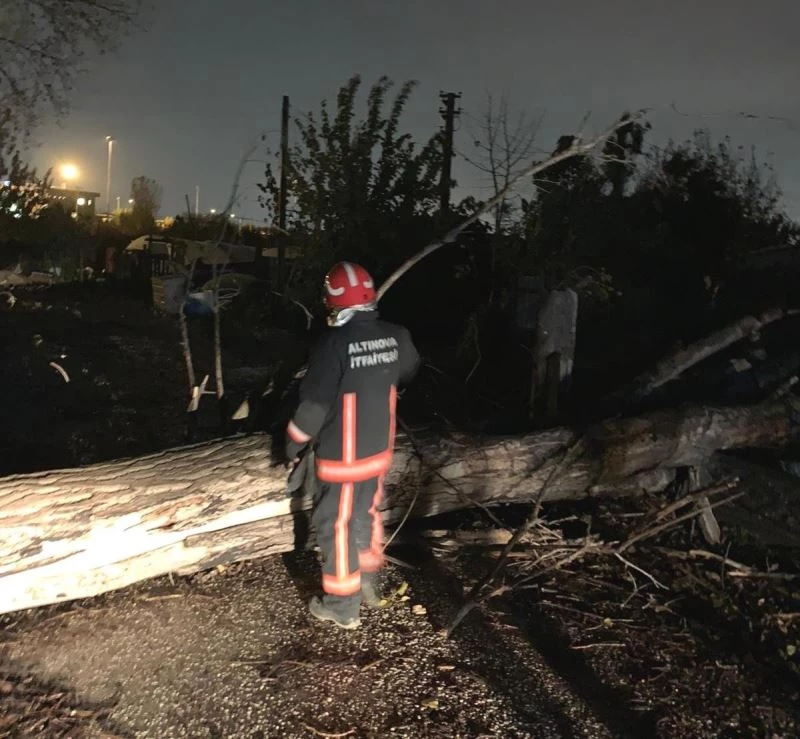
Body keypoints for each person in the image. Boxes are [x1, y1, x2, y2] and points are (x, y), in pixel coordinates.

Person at [285, 261, 420, 629]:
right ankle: (369, 582)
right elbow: (407, 371)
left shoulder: (333, 344)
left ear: (332, 303)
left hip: (341, 456)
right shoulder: (396, 335)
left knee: (335, 524)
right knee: (366, 513)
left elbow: (312, 407)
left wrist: (292, 445)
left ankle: (343, 606)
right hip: (378, 450)